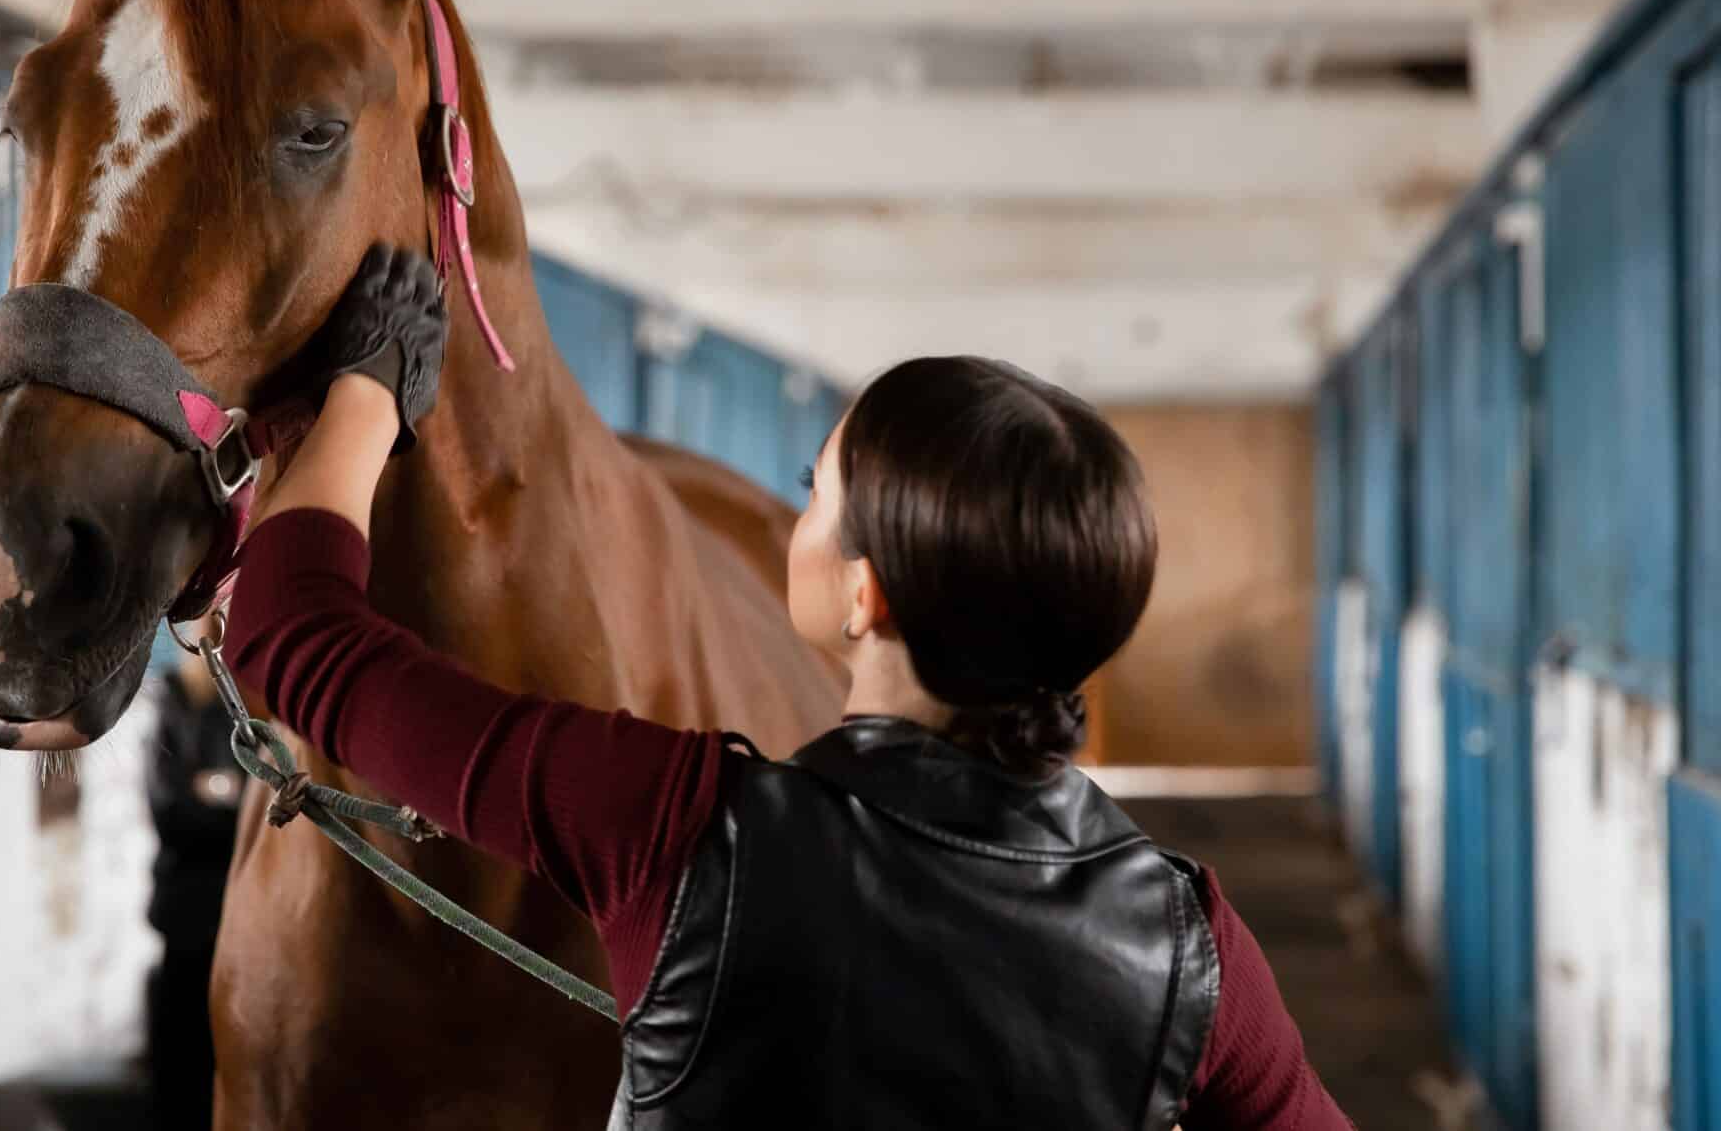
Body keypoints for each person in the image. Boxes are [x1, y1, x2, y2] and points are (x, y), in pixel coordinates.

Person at [224, 245, 1351, 1129]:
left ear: (865, 601)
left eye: (814, 494)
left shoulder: (678, 824)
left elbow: (293, 636)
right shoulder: (1186, 942)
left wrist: (367, 393)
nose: (794, 515)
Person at [142, 650, 242, 1131]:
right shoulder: (172, 702)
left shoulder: (245, 706)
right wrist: (223, 797)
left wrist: (213, 790)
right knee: (181, 1067)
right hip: (186, 911)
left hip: (238, 915)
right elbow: (169, 810)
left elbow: (254, 812)